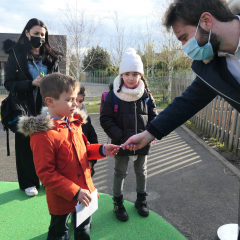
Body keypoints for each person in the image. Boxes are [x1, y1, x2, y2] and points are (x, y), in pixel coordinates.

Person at [121, 0, 240, 152]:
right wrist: (148, 134)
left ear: (206, 21)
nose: (184, 46)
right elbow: (186, 103)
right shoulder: (212, 68)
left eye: (184, 37)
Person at [17, 72, 119, 240]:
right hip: (62, 200)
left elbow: (84, 150)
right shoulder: (43, 135)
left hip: (85, 193)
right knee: (59, 232)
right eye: (70, 100)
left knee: (83, 229)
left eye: (76, 99)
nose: (75, 104)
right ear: (50, 101)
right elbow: (46, 174)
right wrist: (75, 191)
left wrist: (102, 150)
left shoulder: (74, 123)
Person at [3, 18, 62, 197]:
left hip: (46, 107)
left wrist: (49, 84)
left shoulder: (51, 57)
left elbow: (59, 82)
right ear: (27, 33)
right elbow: (9, 83)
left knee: (48, 145)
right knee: (25, 145)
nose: (39, 37)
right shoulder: (16, 54)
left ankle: (47, 179)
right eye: (36, 33)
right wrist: (32, 83)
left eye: (42, 34)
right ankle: (29, 182)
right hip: (23, 107)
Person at [100, 48, 158, 221]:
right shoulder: (113, 95)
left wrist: (146, 136)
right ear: (121, 75)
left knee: (142, 171)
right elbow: (106, 119)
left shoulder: (146, 95)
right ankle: (118, 202)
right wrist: (121, 138)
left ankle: (141, 200)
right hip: (121, 142)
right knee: (120, 172)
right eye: (127, 74)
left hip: (142, 142)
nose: (131, 78)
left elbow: (154, 118)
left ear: (140, 75)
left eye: (135, 73)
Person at [76, 85, 98, 177]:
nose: (76, 104)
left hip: (84, 171)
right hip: (64, 176)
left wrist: (91, 162)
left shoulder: (85, 120)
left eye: (80, 101)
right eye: (71, 100)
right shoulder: (56, 123)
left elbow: (93, 142)